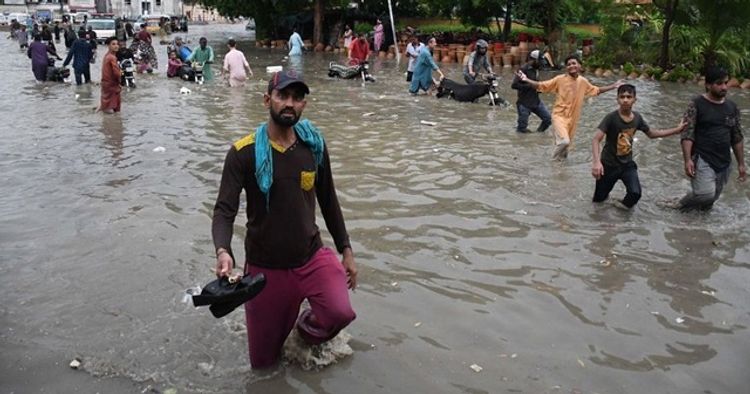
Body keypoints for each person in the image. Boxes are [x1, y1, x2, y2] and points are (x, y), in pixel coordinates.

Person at [211, 70, 358, 369]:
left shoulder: (313, 146)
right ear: (268, 100)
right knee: (263, 366)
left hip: (310, 256)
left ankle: (304, 329)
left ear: (304, 105)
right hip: (266, 267)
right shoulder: (244, 153)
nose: (290, 103)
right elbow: (224, 210)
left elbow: (329, 199)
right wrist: (223, 250)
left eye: (297, 98)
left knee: (340, 313)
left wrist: (346, 249)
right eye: (283, 96)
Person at [591, 84, 686, 209]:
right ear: (617, 99)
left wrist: (676, 130)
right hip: (608, 165)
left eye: (629, 97)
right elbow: (596, 139)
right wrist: (597, 163)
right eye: (622, 97)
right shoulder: (611, 118)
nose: (625, 100)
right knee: (598, 202)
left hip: (627, 165)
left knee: (635, 194)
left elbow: (652, 134)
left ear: (635, 99)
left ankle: (619, 214)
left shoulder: (637, 118)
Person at [517, 55, 623, 160]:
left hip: (573, 119)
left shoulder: (583, 82)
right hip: (559, 116)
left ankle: (559, 172)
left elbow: (597, 90)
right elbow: (541, 85)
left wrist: (613, 86)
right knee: (564, 141)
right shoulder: (559, 79)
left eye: (573, 63)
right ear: (566, 68)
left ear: (579, 66)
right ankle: (551, 161)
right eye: (568, 64)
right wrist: (526, 79)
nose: (571, 66)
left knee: (566, 151)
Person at [674, 66, 745, 211]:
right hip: (702, 158)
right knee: (705, 195)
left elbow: (736, 137)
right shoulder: (696, 104)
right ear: (708, 85)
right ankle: (679, 205)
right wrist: (687, 160)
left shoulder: (732, 107)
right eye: (719, 83)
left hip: (724, 162)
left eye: (725, 83)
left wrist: (741, 164)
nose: (724, 87)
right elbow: (688, 133)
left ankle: (697, 228)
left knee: (709, 203)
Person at [510, 50, 552, 133]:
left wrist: (538, 88)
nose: (541, 63)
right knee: (522, 128)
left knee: (548, 119)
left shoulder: (536, 69)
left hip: (536, 101)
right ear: (533, 60)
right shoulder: (523, 69)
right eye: (539, 61)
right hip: (524, 103)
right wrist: (530, 86)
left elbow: (536, 85)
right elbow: (514, 85)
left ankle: (538, 134)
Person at [99, 37, 122, 114]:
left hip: (105, 85)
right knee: (114, 110)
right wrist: (120, 82)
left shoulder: (106, 56)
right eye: (113, 44)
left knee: (105, 105)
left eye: (117, 44)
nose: (116, 46)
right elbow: (116, 73)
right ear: (108, 45)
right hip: (112, 86)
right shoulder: (112, 58)